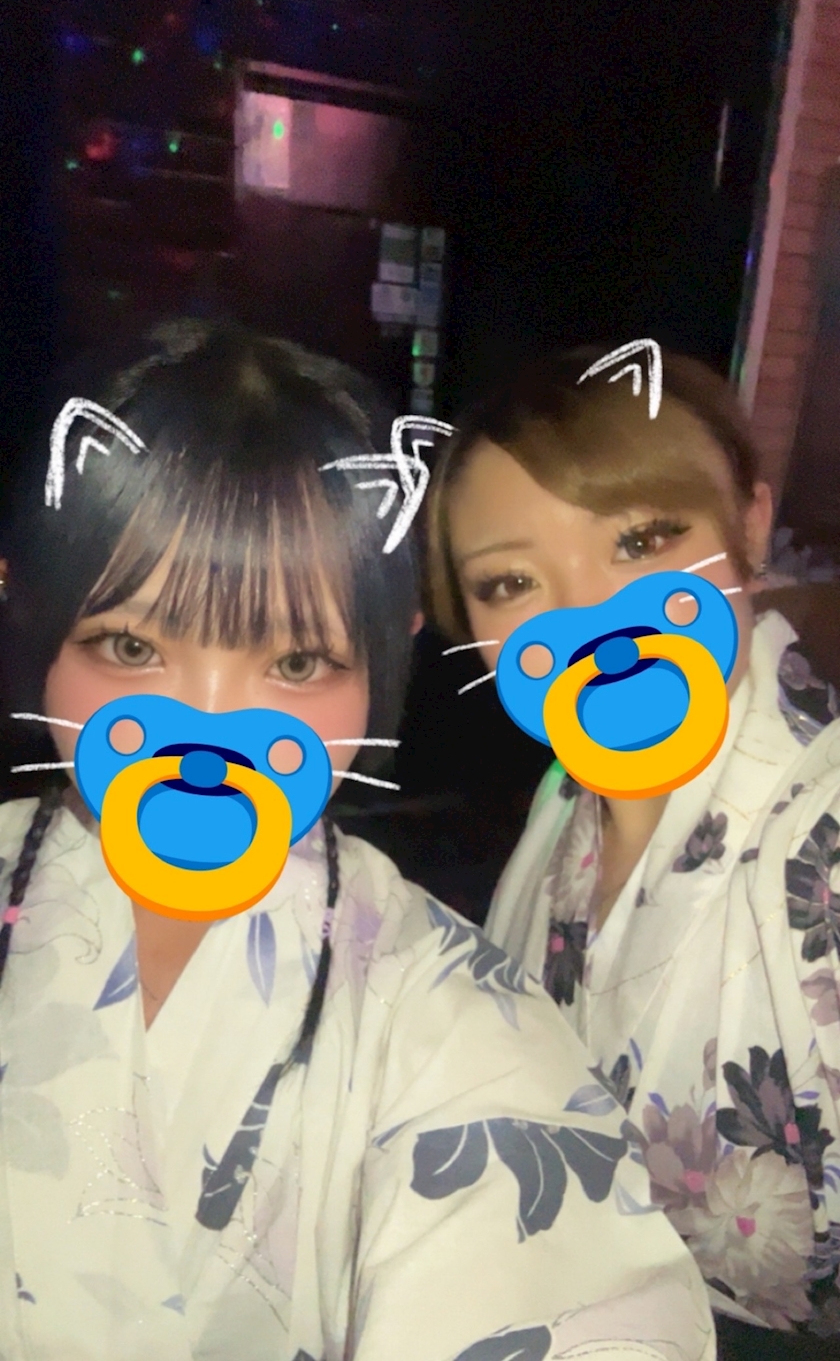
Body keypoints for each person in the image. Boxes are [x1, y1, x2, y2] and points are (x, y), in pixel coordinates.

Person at [0, 321, 714, 1361]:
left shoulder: (447, 1009)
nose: (210, 731)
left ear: (388, 657)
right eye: (130, 645)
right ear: (28, 608)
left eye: (295, 663)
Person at [426, 344, 840, 1354]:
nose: (589, 621)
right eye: (512, 581)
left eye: (643, 539)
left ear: (750, 523)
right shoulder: (561, 798)